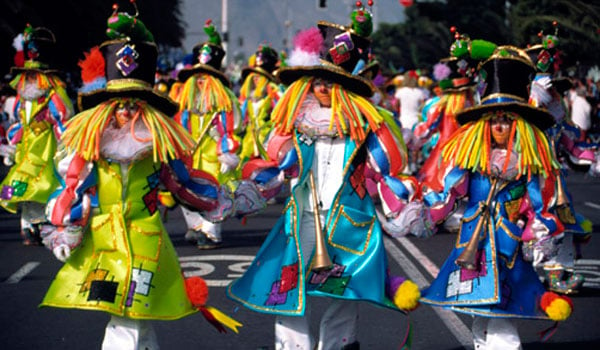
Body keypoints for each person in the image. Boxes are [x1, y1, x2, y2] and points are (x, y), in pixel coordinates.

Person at [39, 4, 239, 348]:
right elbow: (74, 187)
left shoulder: (158, 149)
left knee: (133, 315)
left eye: (134, 102)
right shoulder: (91, 148)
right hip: (104, 241)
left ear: (146, 106)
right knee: (126, 316)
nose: (126, 109)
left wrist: (218, 200)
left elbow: (184, 182)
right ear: (105, 105)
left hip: (147, 238)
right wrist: (66, 228)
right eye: (118, 101)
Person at [227, 4, 424, 348]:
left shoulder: (364, 129)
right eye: (317, 81)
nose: (322, 87)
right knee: (287, 288)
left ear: (344, 87)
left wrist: (402, 208)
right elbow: (277, 165)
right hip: (302, 220)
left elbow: (386, 171)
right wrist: (252, 190)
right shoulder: (297, 126)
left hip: (351, 225)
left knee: (344, 292)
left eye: (330, 82)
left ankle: (337, 345)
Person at [420, 46, 573, 349]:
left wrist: (536, 230)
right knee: (478, 308)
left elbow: (537, 204)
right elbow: (450, 190)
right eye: (493, 120)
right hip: (472, 243)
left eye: (506, 119)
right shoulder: (471, 157)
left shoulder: (528, 163)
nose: (499, 126)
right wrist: (428, 209)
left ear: (519, 124)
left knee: (503, 311)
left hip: (507, 244)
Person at [169, 19, 243, 249]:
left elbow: (231, 129)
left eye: (205, 76)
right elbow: (176, 126)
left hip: (212, 158)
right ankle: (195, 226)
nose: (200, 81)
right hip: (189, 156)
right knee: (187, 191)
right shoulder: (183, 101)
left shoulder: (224, 104)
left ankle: (210, 233)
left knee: (211, 194)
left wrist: (224, 150)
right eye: (197, 76)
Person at [0, 25, 74, 245]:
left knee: (43, 186)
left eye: (35, 76)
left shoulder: (53, 95)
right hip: (26, 150)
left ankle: (40, 224)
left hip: (47, 149)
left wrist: (66, 144)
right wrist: (12, 141)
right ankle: (27, 225)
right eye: (28, 76)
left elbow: (63, 120)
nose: (30, 80)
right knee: (22, 186)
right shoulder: (22, 100)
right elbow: (19, 122)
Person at [238, 43, 283, 164]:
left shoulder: (273, 92)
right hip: (249, 138)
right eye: (254, 76)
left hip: (267, 137)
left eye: (259, 77)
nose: (255, 79)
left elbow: (281, 112)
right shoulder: (247, 98)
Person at [394, 70, 427, 173]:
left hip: (404, 120)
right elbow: (423, 106)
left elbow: (396, 105)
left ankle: (406, 165)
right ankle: (414, 164)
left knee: (404, 145)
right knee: (416, 145)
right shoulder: (419, 92)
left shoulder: (400, 92)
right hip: (416, 120)